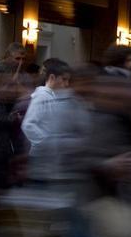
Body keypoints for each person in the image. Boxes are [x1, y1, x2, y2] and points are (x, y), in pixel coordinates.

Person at [20, 58, 91, 189]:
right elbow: (28, 125)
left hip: (50, 161)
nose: (66, 84)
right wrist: (47, 141)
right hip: (41, 159)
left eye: (68, 80)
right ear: (52, 77)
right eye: (64, 79)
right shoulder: (42, 97)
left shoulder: (55, 97)